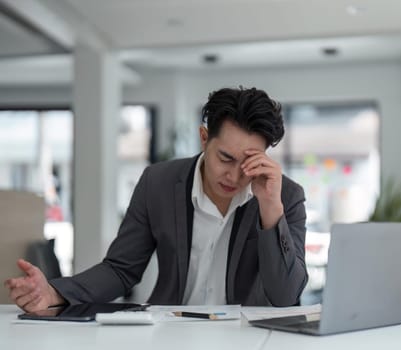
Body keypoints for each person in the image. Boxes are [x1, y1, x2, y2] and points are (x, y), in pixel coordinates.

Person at [4, 87, 308, 312]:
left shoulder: (285, 196)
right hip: (169, 330)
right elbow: (121, 269)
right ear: (204, 138)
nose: (233, 176)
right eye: (225, 158)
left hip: (246, 338)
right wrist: (55, 292)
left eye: (248, 163)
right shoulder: (158, 183)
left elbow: (286, 296)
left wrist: (271, 210)